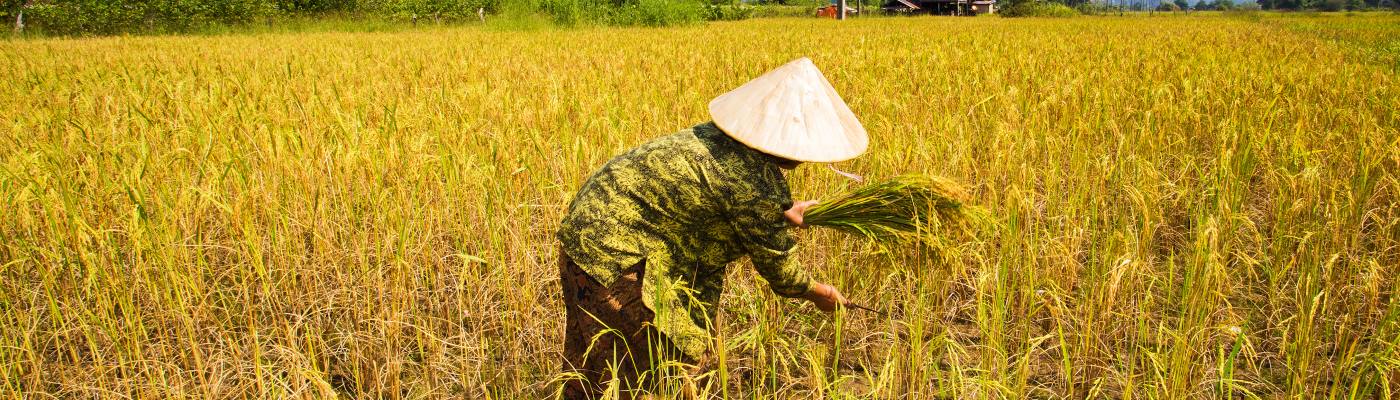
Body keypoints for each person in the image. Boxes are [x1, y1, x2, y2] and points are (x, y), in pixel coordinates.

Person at [555, 57, 869, 399]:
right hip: (611, 250)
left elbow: (713, 194)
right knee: (650, 367)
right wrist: (820, 293)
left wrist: (785, 210)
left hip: (586, 228)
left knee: (594, 360)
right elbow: (782, 271)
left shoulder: (718, 138)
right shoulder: (756, 187)